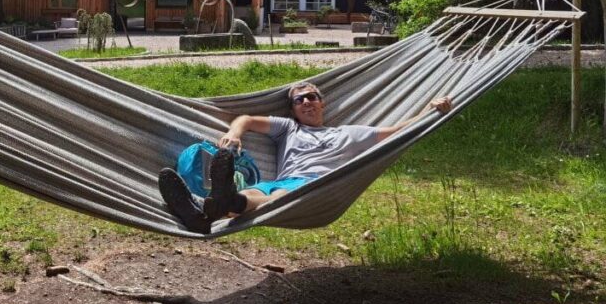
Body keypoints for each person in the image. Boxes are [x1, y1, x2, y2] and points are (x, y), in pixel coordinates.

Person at [158, 80, 453, 233]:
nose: (307, 102)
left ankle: (216, 205)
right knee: (254, 193)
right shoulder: (288, 128)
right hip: (278, 182)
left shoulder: (349, 133)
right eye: (300, 100)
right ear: (294, 110)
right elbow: (245, 118)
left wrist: (430, 110)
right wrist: (235, 134)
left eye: (312, 97)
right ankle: (206, 210)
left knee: (273, 200)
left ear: (322, 103)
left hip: (312, 187)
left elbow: (395, 132)